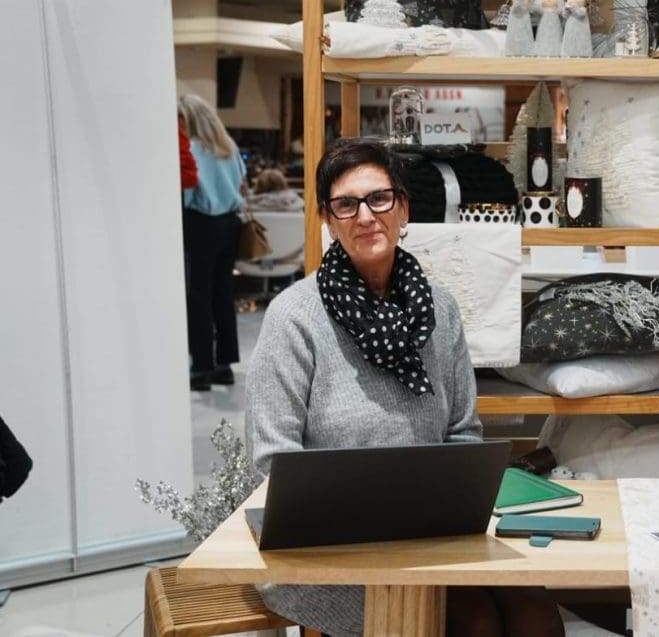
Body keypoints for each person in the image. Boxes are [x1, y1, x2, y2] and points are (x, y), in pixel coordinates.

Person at [245, 138, 562, 637]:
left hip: (430, 532)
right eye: (346, 204)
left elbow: (462, 433)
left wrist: (448, 509)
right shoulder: (295, 318)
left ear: (404, 209)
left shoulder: (440, 310)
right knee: (474, 621)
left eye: (380, 198)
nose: (365, 216)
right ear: (328, 220)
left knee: (535, 612)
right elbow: (271, 459)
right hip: (324, 545)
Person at [179, 94, 246, 392]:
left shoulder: (191, 149)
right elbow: (241, 182)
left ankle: (201, 366)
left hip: (200, 222)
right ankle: (225, 364)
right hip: (230, 223)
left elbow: (187, 193)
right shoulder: (228, 146)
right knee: (223, 293)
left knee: (198, 296)